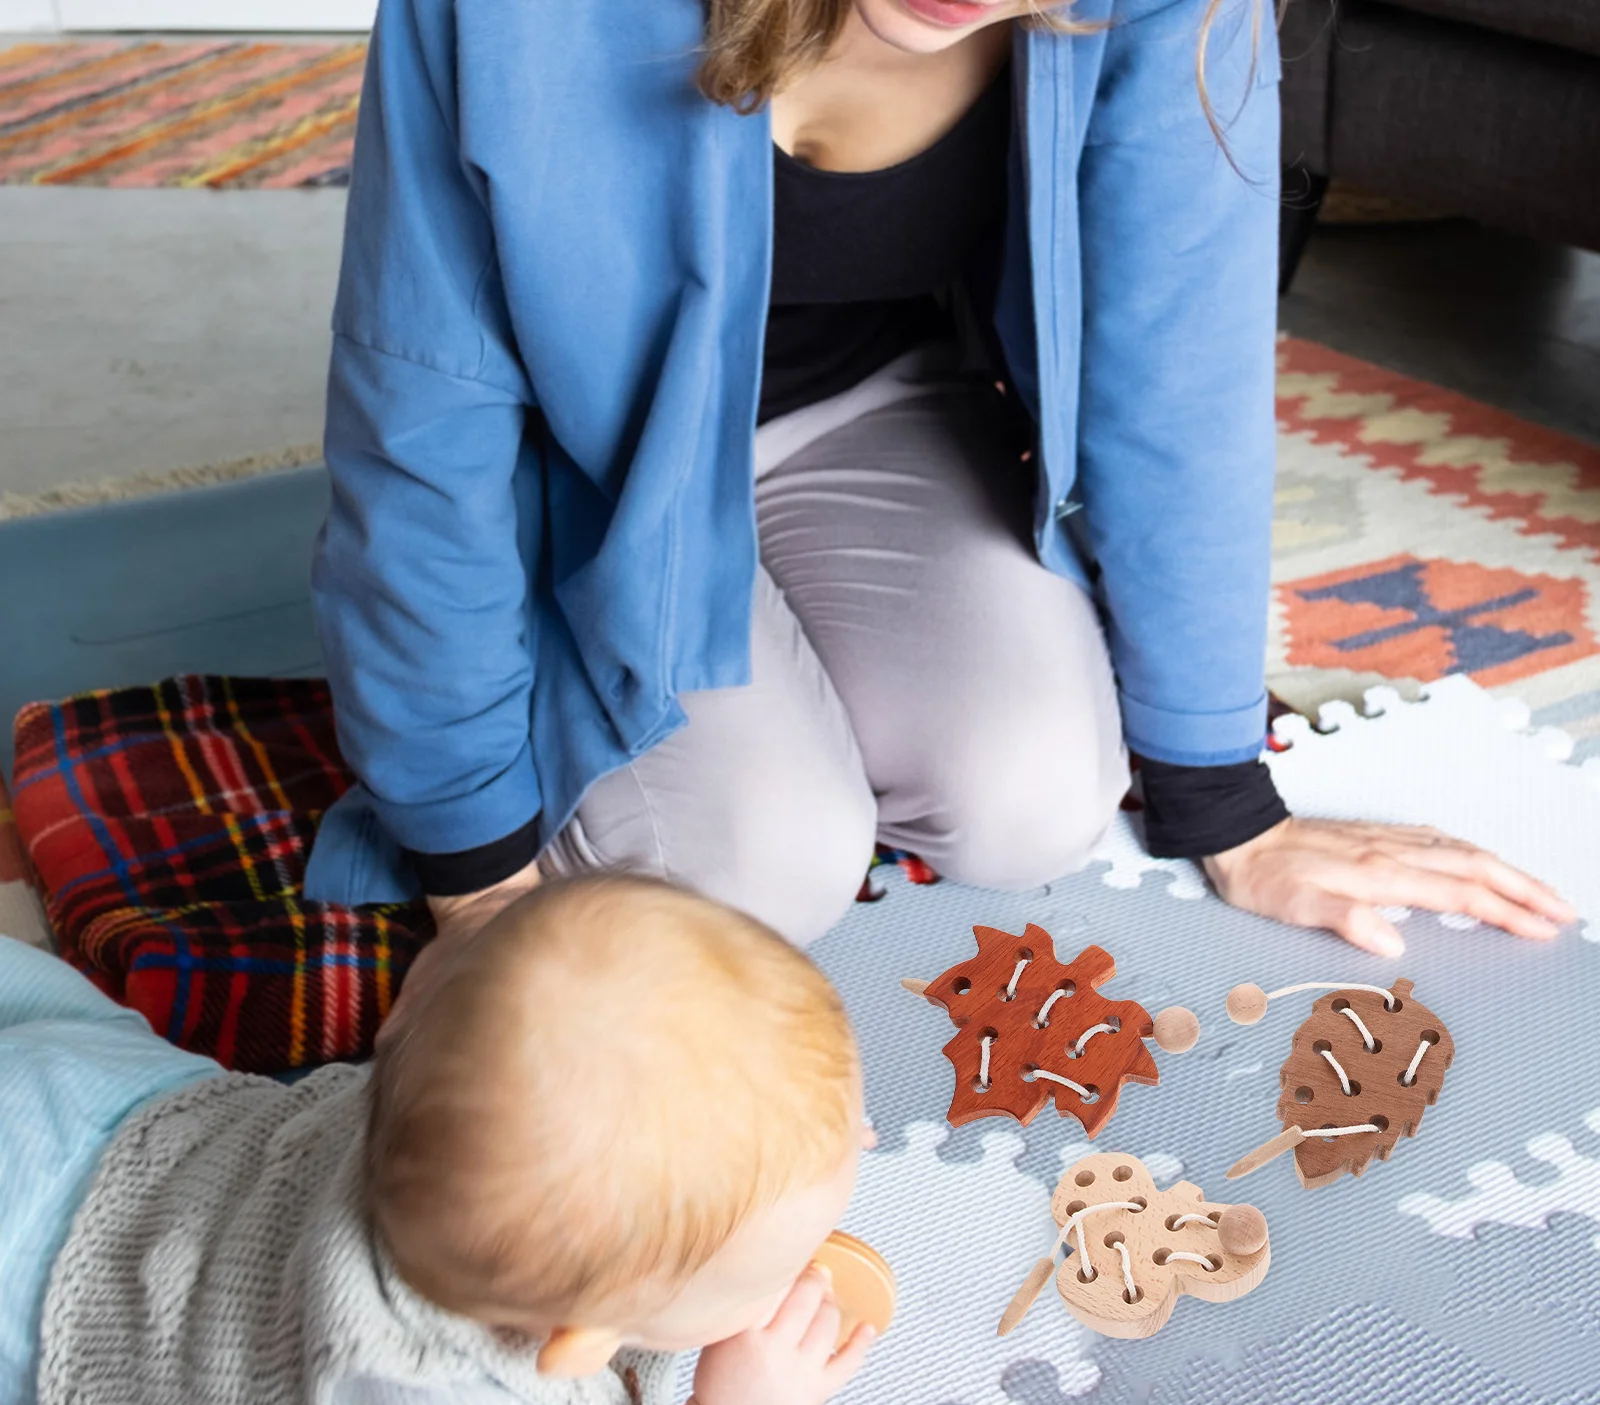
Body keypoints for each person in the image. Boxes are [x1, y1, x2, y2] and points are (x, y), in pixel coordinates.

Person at [305, 0, 1574, 1012]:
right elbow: (421, 411)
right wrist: (471, 872)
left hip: (867, 408)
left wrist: (1224, 801)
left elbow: (1178, 368)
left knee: (1031, 802)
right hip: (584, 466)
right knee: (758, 858)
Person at [0, 876, 876, 1405]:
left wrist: (809, 1130)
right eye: (782, 1262)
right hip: (37, 1281)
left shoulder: (469, 1087)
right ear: (575, 1347)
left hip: (94, 1086)